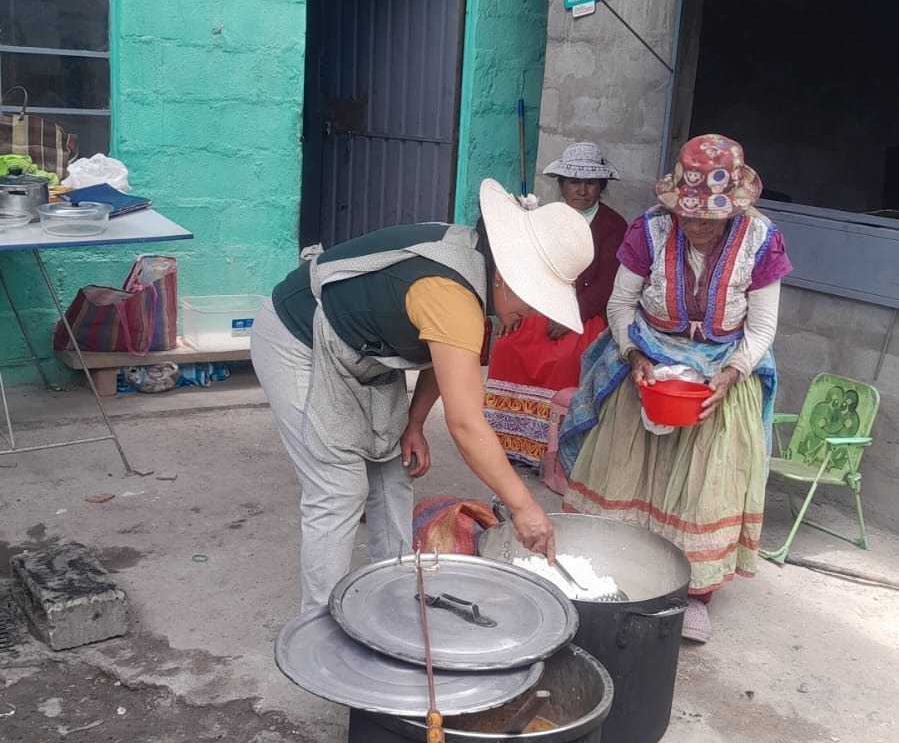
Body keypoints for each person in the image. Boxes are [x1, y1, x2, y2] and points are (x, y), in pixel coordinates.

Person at [251, 180, 593, 608]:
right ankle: (318, 628)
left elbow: (444, 354)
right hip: (296, 336)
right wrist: (524, 506)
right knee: (338, 488)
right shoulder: (451, 294)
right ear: (507, 276)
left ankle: (391, 597)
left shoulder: (474, 265)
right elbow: (466, 424)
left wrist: (413, 423)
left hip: (363, 353)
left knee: (393, 473)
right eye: (536, 299)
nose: (534, 314)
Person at [559, 135, 792, 644]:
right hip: (648, 360)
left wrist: (731, 374)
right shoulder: (649, 229)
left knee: (705, 486)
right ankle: (618, 570)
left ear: (733, 209)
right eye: (688, 216)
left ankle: (693, 594)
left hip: (722, 373)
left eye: (709, 218)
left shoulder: (761, 238)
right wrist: (635, 356)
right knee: (629, 474)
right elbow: (621, 305)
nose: (696, 225)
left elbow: (761, 328)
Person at [483, 143, 627, 467]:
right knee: (508, 346)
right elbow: (525, 266)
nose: (582, 189)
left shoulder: (613, 226)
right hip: (539, 305)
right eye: (573, 181)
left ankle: (549, 452)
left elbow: (607, 282)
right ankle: (506, 444)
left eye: (590, 183)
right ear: (561, 184)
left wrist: (570, 315)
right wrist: (512, 307)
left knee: (566, 357)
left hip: (583, 313)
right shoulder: (544, 217)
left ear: (601, 187)